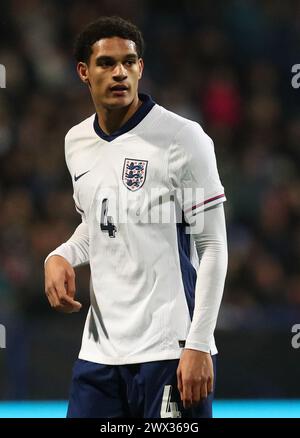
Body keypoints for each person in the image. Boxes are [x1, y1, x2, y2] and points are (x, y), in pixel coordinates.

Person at [44, 16, 228, 418]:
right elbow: (100, 223)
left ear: (141, 68)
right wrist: (59, 255)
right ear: (83, 72)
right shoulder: (76, 142)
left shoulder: (183, 139)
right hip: (100, 353)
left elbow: (212, 245)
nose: (119, 73)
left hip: (169, 351)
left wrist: (198, 343)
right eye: (107, 63)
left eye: (129, 62)